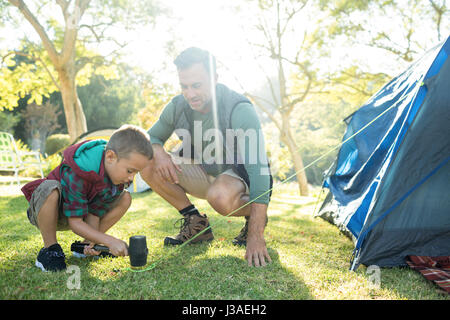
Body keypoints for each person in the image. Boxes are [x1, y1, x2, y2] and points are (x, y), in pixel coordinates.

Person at [141, 47, 273, 267]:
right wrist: (160, 153)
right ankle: (196, 223)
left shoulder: (238, 108)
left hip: (240, 178)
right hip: (204, 171)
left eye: (197, 85)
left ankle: (255, 216)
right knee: (147, 163)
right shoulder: (178, 106)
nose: (190, 93)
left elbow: (259, 170)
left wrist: (255, 235)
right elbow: (151, 136)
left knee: (219, 197)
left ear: (214, 79)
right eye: (184, 86)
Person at [21, 125, 153, 272]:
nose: (131, 178)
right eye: (130, 171)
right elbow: (75, 222)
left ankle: (84, 247)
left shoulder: (115, 181)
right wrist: (109, 240)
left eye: (136, 173)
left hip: (80, 213)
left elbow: (95, 213)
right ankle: (50, 250)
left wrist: (94, 242)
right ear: (110, 157)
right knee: (50, 188)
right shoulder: (79, 170)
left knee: (125, 197)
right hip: (48, 212)